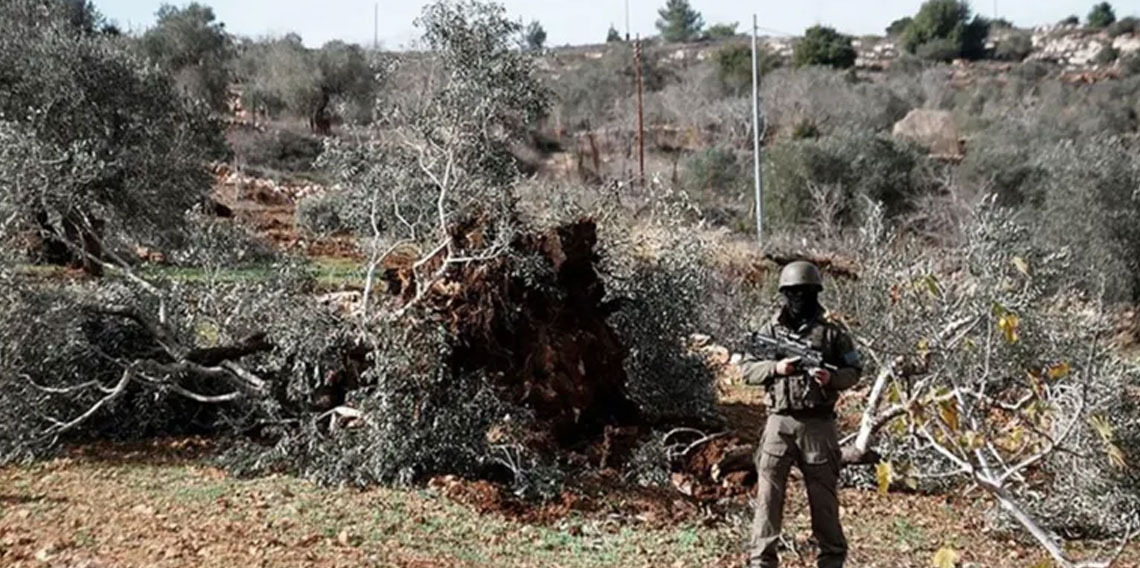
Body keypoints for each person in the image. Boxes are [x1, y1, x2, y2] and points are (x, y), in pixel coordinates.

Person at [737, 261, 862, 568]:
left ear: (815, 293)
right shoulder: (769, 331)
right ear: (783, 293)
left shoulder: (832, 333)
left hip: (818, 425)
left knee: (823, 502)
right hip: (779, 422)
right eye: (792, 292)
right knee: (768, 499)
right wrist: (776, 369)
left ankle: (831, 560)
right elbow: (747, 369)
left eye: (804, 292)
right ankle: (761, 562)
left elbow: (854, 371)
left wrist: (830, 379)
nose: (798, 297)